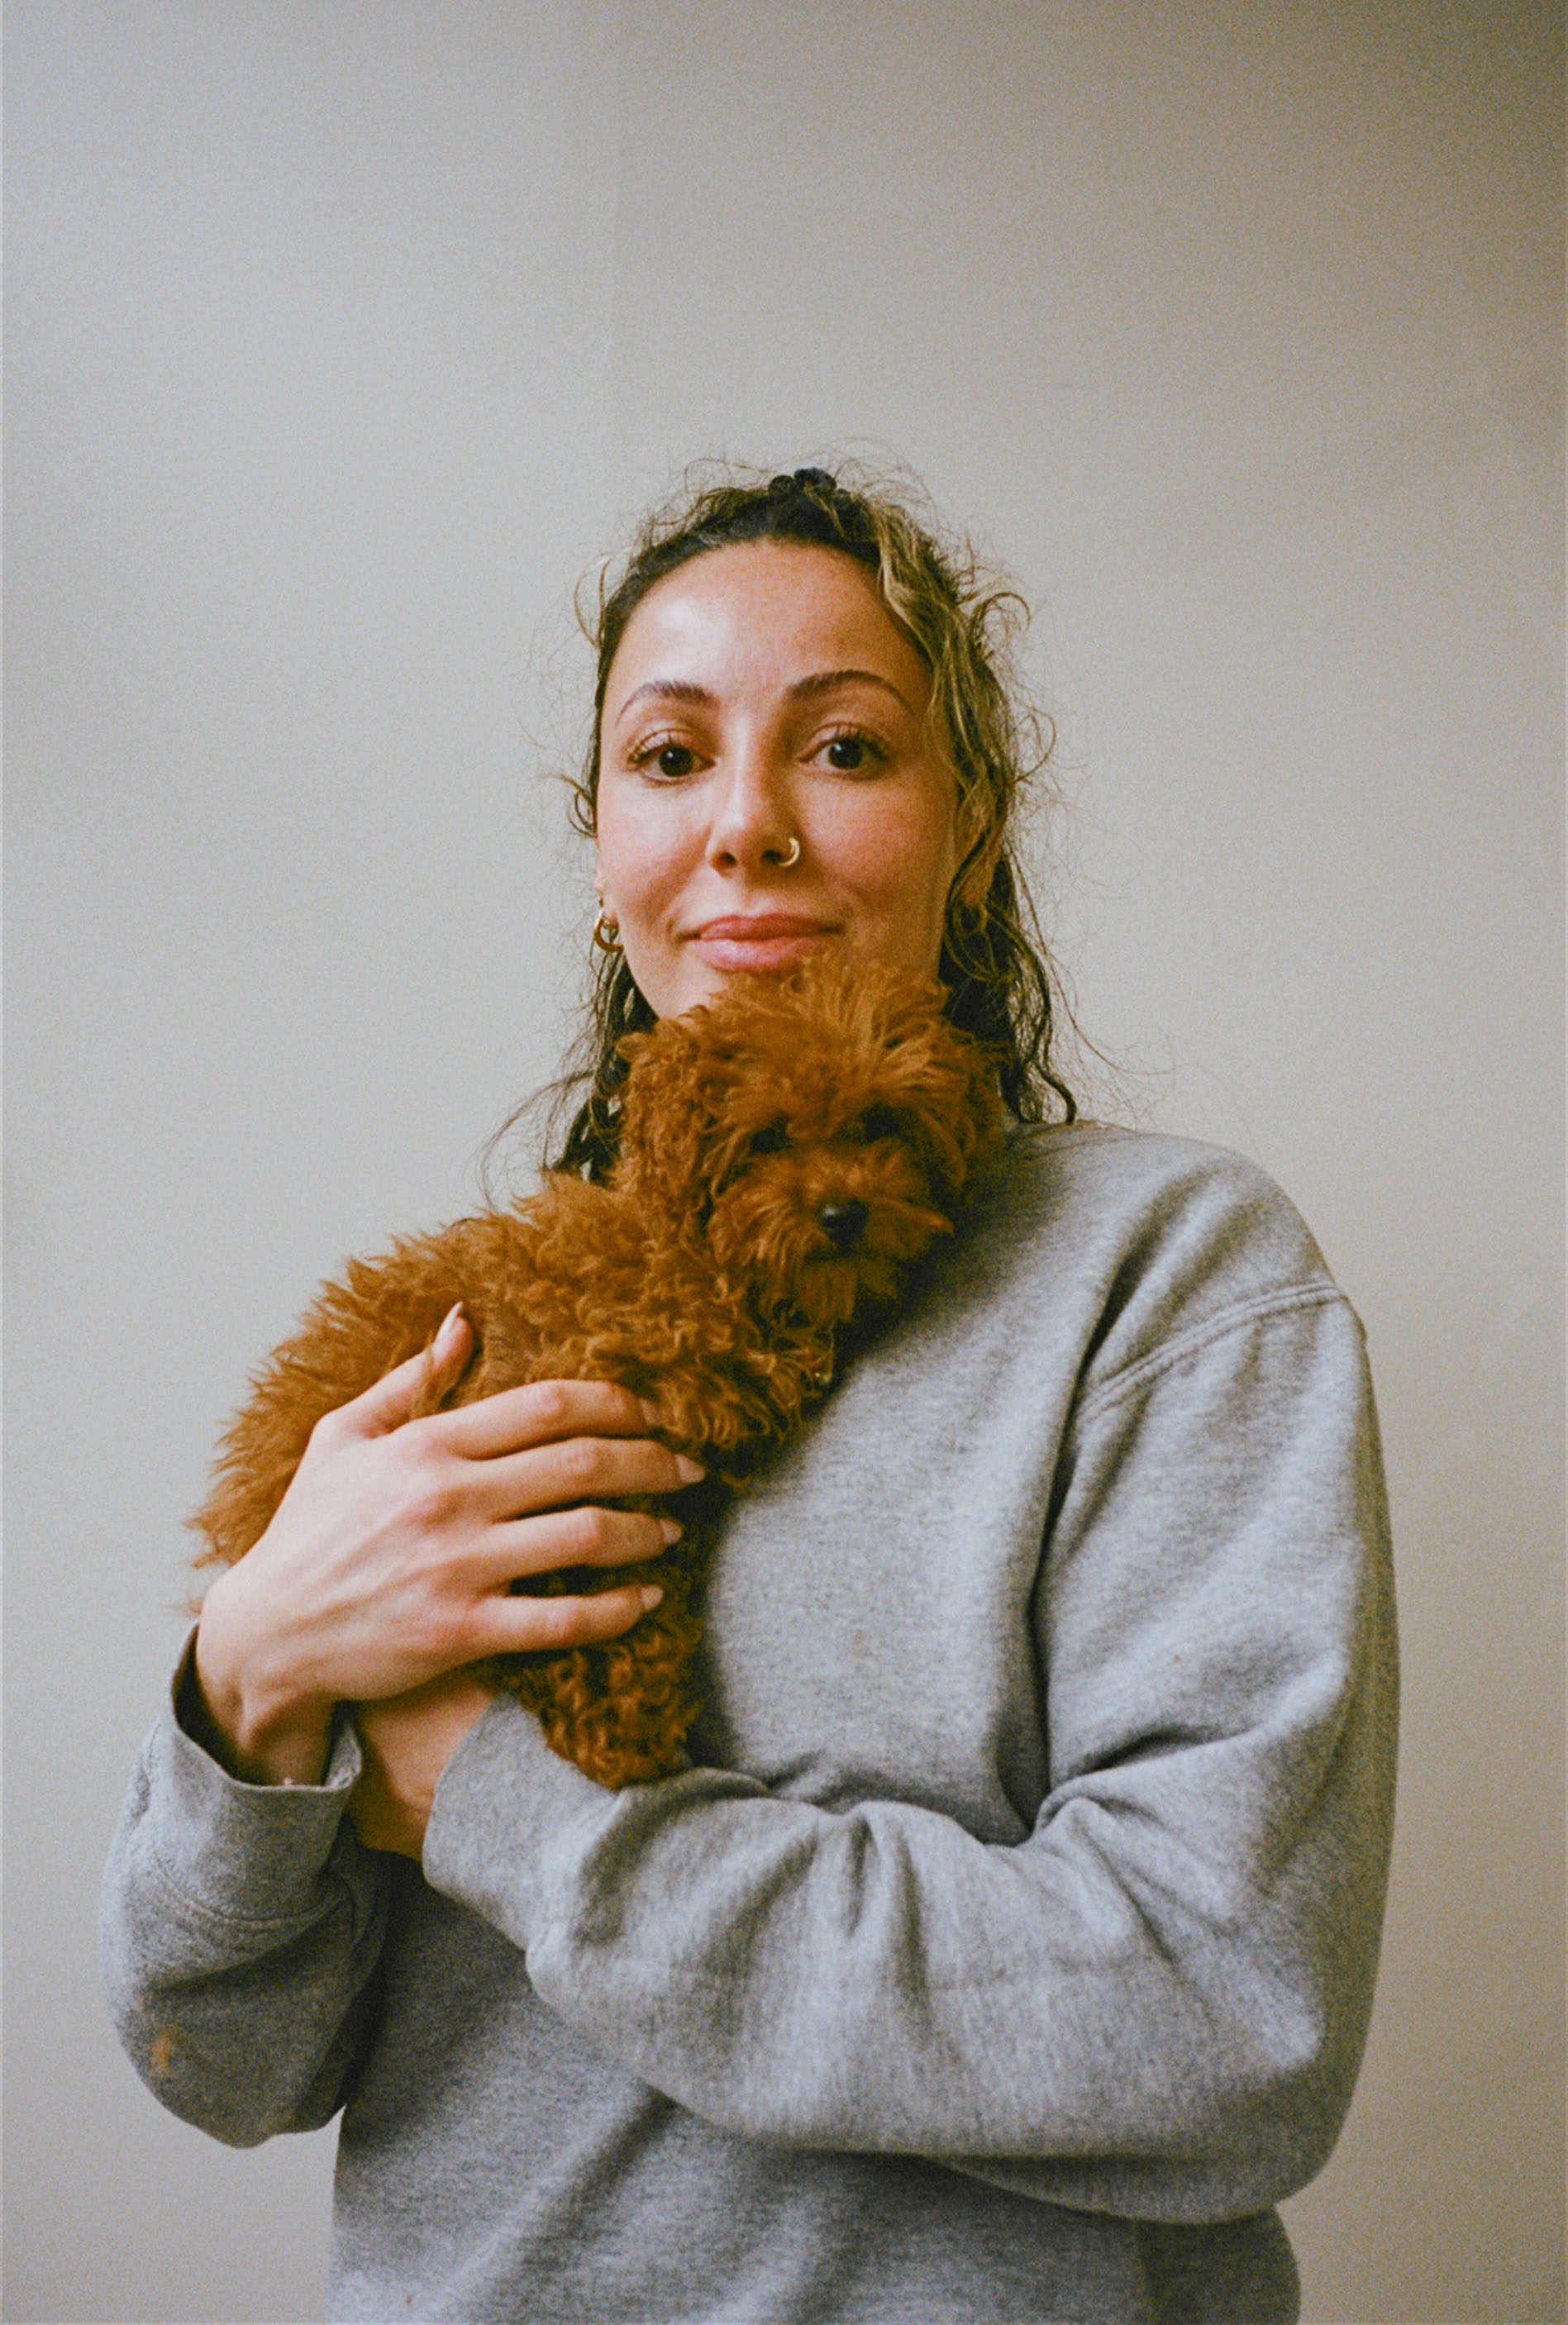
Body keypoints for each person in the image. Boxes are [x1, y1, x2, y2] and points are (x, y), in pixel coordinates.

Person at [101, 465, 1397, 2325]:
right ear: (604, 842)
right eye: (669, 756)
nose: (746, 828)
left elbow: (1219, 2012)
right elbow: (223, 2064)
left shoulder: (1166, 1276)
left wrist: (492, 1798)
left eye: (846, 748)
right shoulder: (460, 1345)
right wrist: (255, 1672)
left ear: (969, 823)